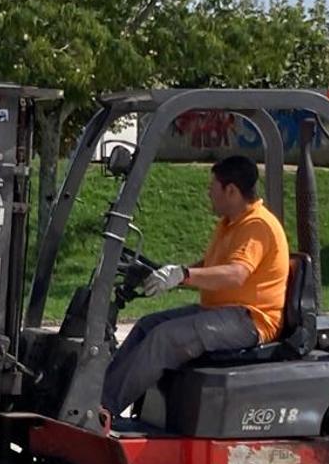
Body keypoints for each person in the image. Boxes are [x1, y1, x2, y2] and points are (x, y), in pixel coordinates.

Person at [102, 154, 290, 416]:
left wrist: (183, 274)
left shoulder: (257, 225)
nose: (208, 194)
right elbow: (211, 266)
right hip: (224, 312)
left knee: (164, 338)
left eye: (212, 188)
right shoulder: (231, 224)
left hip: (250, 320)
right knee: (147, 326)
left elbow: (236, 274)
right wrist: (167, 275)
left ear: (231, 190)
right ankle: (98, 396)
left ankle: (103, 411)